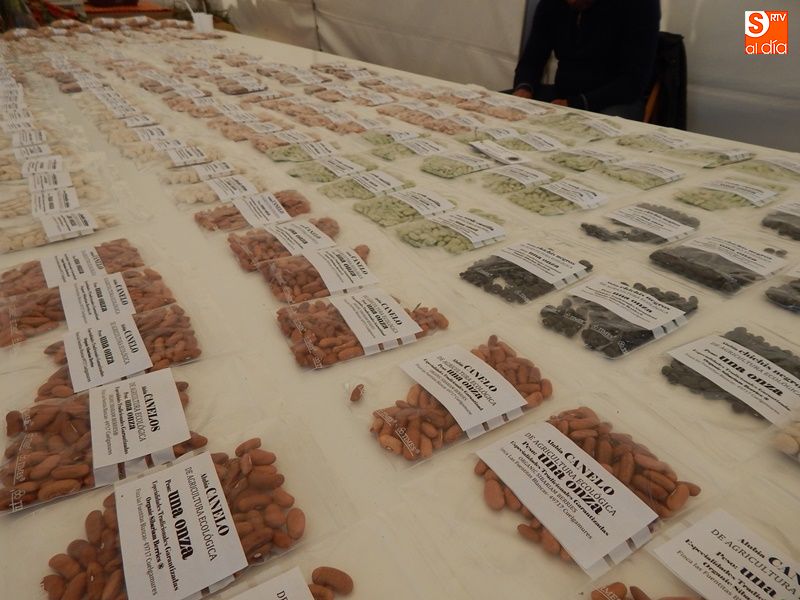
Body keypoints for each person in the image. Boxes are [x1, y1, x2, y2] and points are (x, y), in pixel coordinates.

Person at [512, 0, 661, 120]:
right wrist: (524, 88)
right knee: (502, 108)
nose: (572, 2)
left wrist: (576, 103)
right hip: (563, 93)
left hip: (616, 99)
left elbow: (633, 82)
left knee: (601, 133)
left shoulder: (641, 5)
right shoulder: (553, 4)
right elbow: (532, 58)